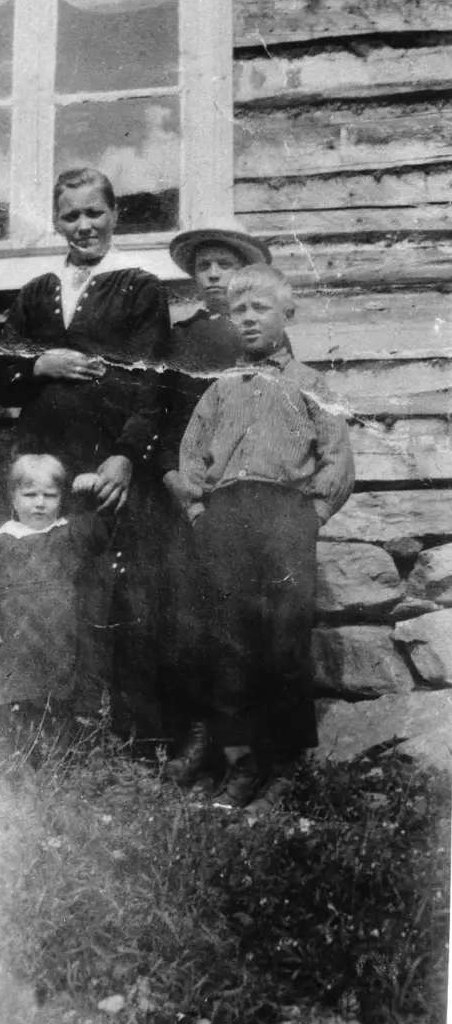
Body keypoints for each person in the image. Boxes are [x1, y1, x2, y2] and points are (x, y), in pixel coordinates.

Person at [0, 167, 171, 738]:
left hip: (104, 464)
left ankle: (116, 735)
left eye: (95, 213)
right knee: (41, 590)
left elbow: (154, 382)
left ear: (115, 215)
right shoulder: (36, 293)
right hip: (44, 464)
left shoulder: (139, 286)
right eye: (71, 215)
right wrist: (37, 365)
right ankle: (46, 731)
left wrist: (125, 455)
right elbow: (1, 372)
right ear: (56, 222)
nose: (84, 225)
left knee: (105, 588)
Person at [170, 266, 355, 809]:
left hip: (285, 516)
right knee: (227, 638)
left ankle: (286, 762)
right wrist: (201, 508)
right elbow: (190, 454)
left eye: (261, 309)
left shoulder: (310, 385)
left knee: (284, 637)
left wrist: (311, 515)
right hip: (226, 515)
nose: (248, 320)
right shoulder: (222, 389)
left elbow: (338, 457)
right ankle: (239, 762)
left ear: (287, 314)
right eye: (239, 312)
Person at [160, 218, 277, 783]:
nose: (211, 274)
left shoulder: (260, 338)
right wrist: (169, 476)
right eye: (202, 266)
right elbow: (162, 412)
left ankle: (243, 751)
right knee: (188, 619)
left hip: (238, 495)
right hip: (182, 495)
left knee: (238, 621)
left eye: (223, 265)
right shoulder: (179, 337)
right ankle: (199, 735)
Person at [0, 455, 111, 755]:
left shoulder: (69, 532)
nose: (39, 503)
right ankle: (7, 763)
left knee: (56, 707)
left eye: (49, 496)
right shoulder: (1, 540)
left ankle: (55, 763)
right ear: (13, 498)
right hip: (15, 643)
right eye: (29, 495)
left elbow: (97, 537)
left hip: (57, 641)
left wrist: (87, 500)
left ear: (61, 499)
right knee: (10, 714)